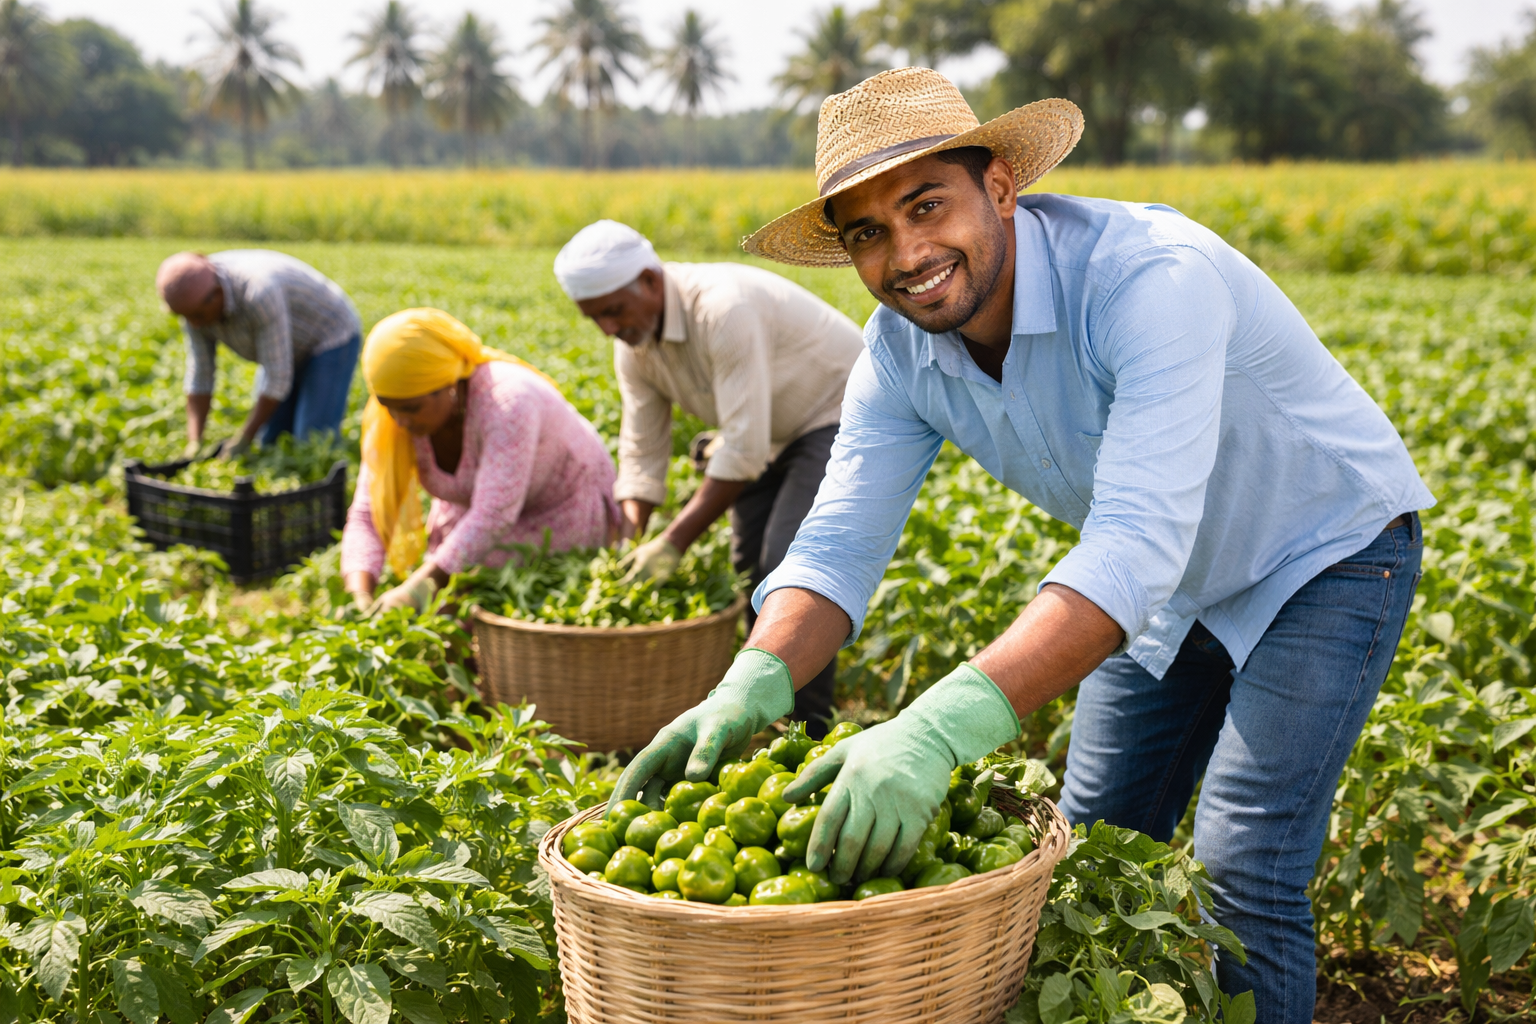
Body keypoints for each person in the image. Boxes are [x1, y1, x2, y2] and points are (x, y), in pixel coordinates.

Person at [610, 68, 1433, 1019]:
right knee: (1083, 852)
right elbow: (837, 543)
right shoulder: (898, 350)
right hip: (1156, 587)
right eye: (868, 232)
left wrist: (933, 727)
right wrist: (753, 677)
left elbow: (1130, 545)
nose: (908, 253)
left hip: (1320, 551)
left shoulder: (1149, 279)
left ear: (1000, 186)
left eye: (928, 206)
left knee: (1241, 870)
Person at [553, 219, 865, 737]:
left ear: (651, 281)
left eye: (613, 310)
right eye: (595, 319)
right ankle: (766, 705)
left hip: (833, 409)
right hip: (764, 431)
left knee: (790, 566)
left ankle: (808, 726)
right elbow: (643, 447)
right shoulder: (633, 346)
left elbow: (741, 449)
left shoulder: (722, 306)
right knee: (750, 574)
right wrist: (632, 535)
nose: (609, 327)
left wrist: (673, 542)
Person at [341, 308, 619, 613]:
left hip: (559, 509)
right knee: (450, 613)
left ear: (447, 386)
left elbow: (493, 514)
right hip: (475, 514)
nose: (399, 421)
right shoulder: (395, 411)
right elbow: (369, 512)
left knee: (518, 614)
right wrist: (360, 594)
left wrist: (421, 586)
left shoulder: (506, 402)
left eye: (410, 408)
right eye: (387, 406)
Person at [156, 249, 362, 458]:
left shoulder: (257, 292)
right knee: (268, 441)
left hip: (329, 337)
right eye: (186, 317)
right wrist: (195, 440)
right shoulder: (193, 305)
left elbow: (276, 377)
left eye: (198, 316)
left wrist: (243, 438)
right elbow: (201, 373)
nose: (195, 324)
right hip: (283, 346)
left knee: (310, 444)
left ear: (216, 295)